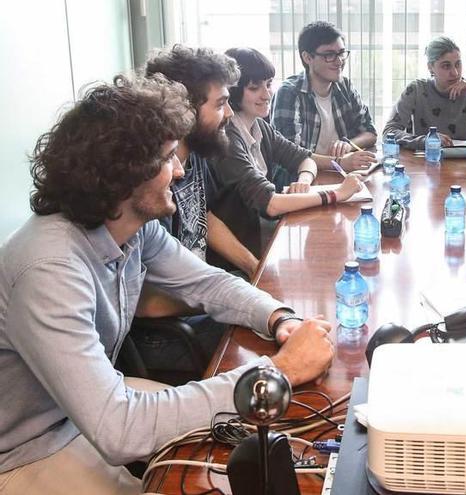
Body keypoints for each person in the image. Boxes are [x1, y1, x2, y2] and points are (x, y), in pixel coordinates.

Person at [0, 76, 335, 495]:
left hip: (84, 410)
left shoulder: (131, 226)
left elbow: (209, 284)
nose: (179, 171)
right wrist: (276, 372)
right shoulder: (49, 267)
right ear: (122, 176)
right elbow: (119, 428)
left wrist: (278, 318)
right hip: (27, 448)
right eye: (167, 159)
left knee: (226, 444)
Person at [213, 47, 364, 265]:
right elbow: (271, 205)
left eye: (268, 84)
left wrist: (303, 180)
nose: (266, 95)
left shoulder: (260, 127)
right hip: (241, 254)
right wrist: (337, 193)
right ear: (233, 92)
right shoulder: (228, 137)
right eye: (255, 88)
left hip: (263, 235)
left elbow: (306, 159)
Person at [144, 44, 259, 276]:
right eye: (220, 104)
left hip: (205, 289)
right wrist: (229, 293)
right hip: (181, 305)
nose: (228, 113)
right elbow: (151, 294)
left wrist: (255, 267)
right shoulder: (152, 178)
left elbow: (204, 217)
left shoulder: (196, 151)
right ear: (185, 108)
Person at [271, 21, 377, 169]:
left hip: (343, 173)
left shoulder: (345, 86)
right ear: (307, 58)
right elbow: (291, 155)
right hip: (302, 178)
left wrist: (348, 145)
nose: (339, 61)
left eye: (341, 53)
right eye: (329, 55)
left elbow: (370, 133)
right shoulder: (289, 93)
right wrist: (338, 163)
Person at [382, 36, 466, 149]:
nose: (455, 73)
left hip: (463, 164)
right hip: (424, 162)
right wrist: (426, 141)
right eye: (446, 66)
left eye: (458, 64)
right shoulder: (416, 90)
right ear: (430, 67)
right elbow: (389, 133)